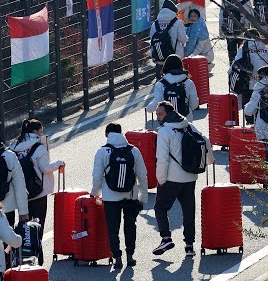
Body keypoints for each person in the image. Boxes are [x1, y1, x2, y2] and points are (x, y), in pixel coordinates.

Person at [151, 100, 213, 258]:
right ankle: (189, 246)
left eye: (161, 114)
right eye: (157, 114)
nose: (158, 117)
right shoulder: (188, 125)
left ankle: (166, 238)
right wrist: (209, 160)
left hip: (171, 178)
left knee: (160, 208)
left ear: (168, 113)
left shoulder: (165, 131)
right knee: (188, 211)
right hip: (190, 176)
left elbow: (162, 158)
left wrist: (161, 179)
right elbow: (205, 140)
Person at [90, 122, 148, 269]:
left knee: (112, 228)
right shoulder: (134, 151)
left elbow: (97, 177)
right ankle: (130, 256)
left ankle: (117, 258)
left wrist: (95, 193)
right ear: (121, 133)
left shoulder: (102, 152)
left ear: (107, 135)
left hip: (110, 197)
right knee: (130, 226)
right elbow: (142, 176)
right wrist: (143, 198)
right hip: (130, 195)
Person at [8, 119, 64, 234]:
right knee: (38, 225)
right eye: (41, 131)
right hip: (38, 190)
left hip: (19, 191)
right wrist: (58, 164)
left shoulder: (13, 146)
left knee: (24, 225)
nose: (42, 133)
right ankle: (37, 250)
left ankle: (25, 249)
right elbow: (45, 168)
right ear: (35, 131)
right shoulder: (39, 148)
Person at [228, 28, 268, 124]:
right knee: (263, 103)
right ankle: (262, 121)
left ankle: (250, 122)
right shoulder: (266, 49)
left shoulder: (243, 50)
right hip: (265, 82)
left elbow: (235, 65)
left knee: (249, 104)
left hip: (248, 82)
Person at [146, 54, 199, 122]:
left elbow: (157, 104)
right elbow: (194, 105)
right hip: (185, 121)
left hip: (168, 123)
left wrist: (148, 108)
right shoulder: (188, 82)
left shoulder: (160, 84)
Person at [219, 0, 254, 66]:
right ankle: (241, 68)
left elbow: (221, 15)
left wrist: (221, 33)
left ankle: (232, 67)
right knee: (242, 51)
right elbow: (249, 14)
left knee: (231, 52)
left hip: (228, 29)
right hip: (241, 29)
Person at [150, 0, 188, 67]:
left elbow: (152, 40)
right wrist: (187, 38)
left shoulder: (155, 24)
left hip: (159, 57)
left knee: (164, 75)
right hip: (175, 57)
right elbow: (183, 39)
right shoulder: (178, 22)